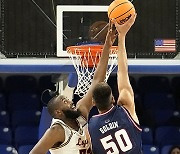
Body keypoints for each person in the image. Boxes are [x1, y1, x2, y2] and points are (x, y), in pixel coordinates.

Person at [30, 20, 117, 154]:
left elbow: (97, 81)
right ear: (58, 112)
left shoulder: (81, 112)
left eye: (67, 99)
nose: (70, 102)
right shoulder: (57, 130)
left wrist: (107, 46)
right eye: (64, 102)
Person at [88, 13, 143, 154]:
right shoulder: (126, 108)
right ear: (113, 98)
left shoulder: (92, 126)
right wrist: (122, 36)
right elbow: (122, 72)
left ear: (93, 102)